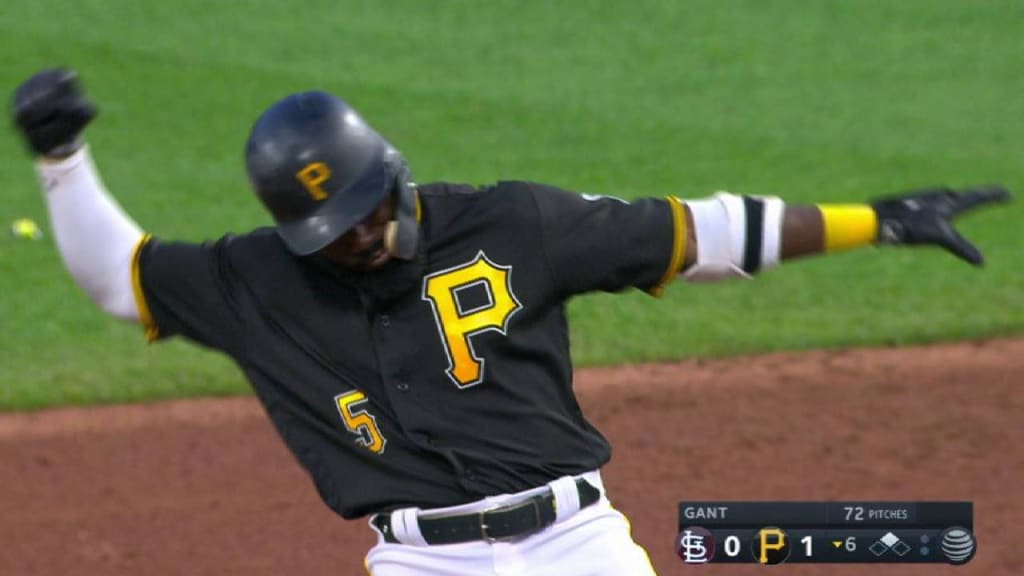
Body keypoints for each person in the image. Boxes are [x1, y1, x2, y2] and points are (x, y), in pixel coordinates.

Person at [11, 68, 1011, 576]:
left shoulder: (511, 222)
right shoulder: (259, 278)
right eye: (331, 232)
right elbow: (118, 278)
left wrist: (872, 222)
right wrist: (61, 159)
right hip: (419, 559)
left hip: (573, 545)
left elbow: (696, 235)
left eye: (366, 214)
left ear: (393, 174)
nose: (356, 240)